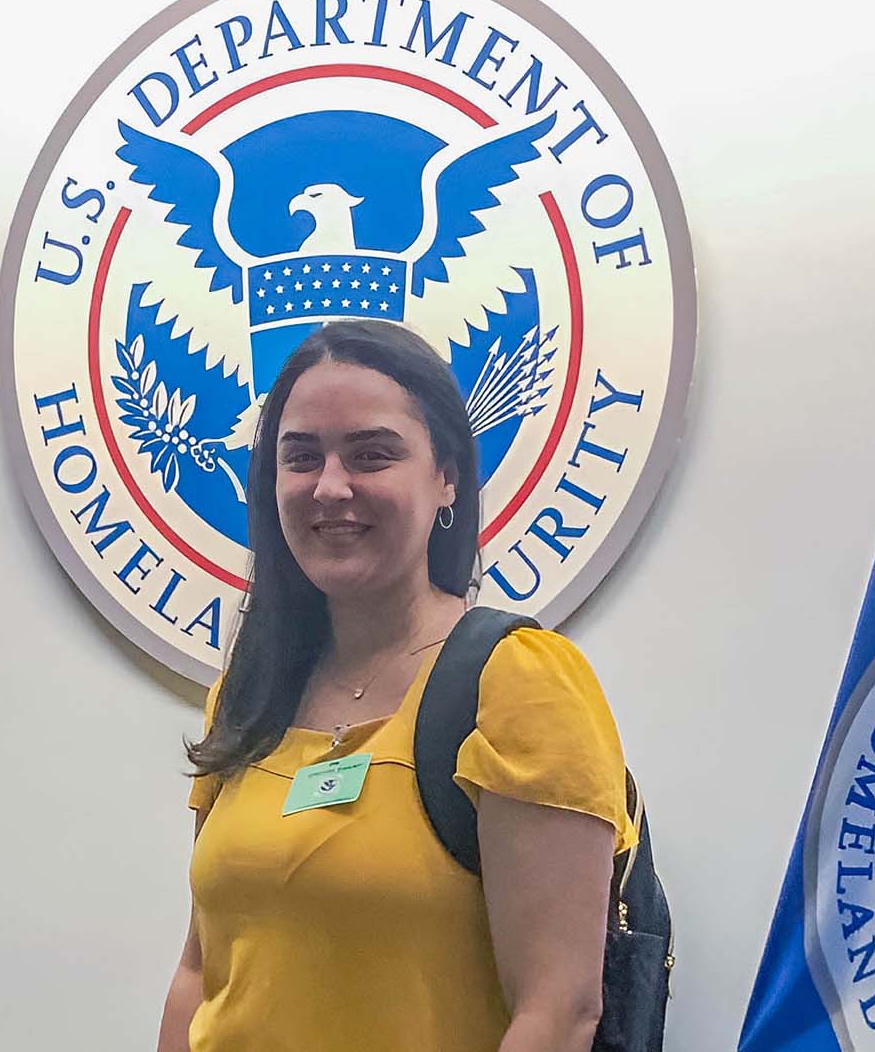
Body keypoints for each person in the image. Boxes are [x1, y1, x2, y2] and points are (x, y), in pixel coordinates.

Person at [155, 319, 639, 1052]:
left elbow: (558, 1012)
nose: (331, 486)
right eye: (301, 457)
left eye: (372, 454)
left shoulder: (517, 682)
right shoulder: (249, 694)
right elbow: (199, 971)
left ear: (446, 476)